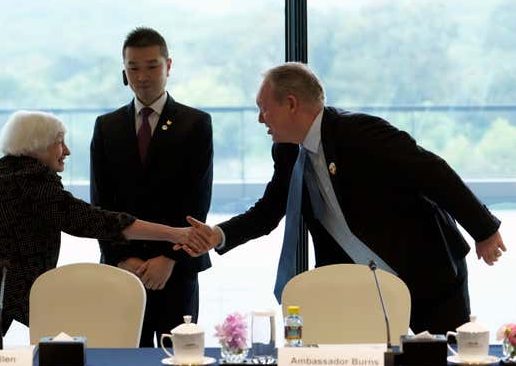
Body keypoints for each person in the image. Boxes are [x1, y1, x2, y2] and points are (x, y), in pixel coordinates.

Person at [182, 62, 506, 335]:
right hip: (360, 285)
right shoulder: (287, 151)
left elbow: (432, 172)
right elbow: (269, 209)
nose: (259, 119)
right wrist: (218, 235)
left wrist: (484, 230)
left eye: (264, 108)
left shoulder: (360, 132)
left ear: (291, 104)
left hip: (426, 272)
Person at [0, 110, 206, 348]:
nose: (66, 151)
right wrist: (174, 233)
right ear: (38, 144)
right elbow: (91, 220)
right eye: (60, 141)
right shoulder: (29, 177)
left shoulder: (8, 171)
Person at [90, 27, 213, 347]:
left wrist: (168, 259)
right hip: (122, 268)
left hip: (175, 268)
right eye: (133, 68)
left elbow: (197, 202)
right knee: (121, 359)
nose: (142, 76)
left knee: (178, 359)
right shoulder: (107, 126)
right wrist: (120, 258)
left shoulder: (196, 123)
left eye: (151, 66)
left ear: (168, 66)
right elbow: (100, 204)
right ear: (124, 71)